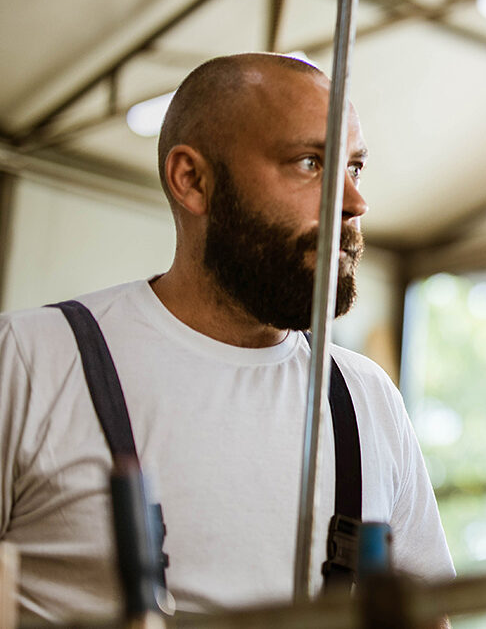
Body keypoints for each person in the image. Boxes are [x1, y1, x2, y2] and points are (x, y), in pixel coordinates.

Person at [0, 53, 454, 623]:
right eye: (310, 163)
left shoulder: (365, 398)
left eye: (355, 168)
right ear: (192, 180)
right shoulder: (31, 360)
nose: (354, 203)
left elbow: (428, 617)